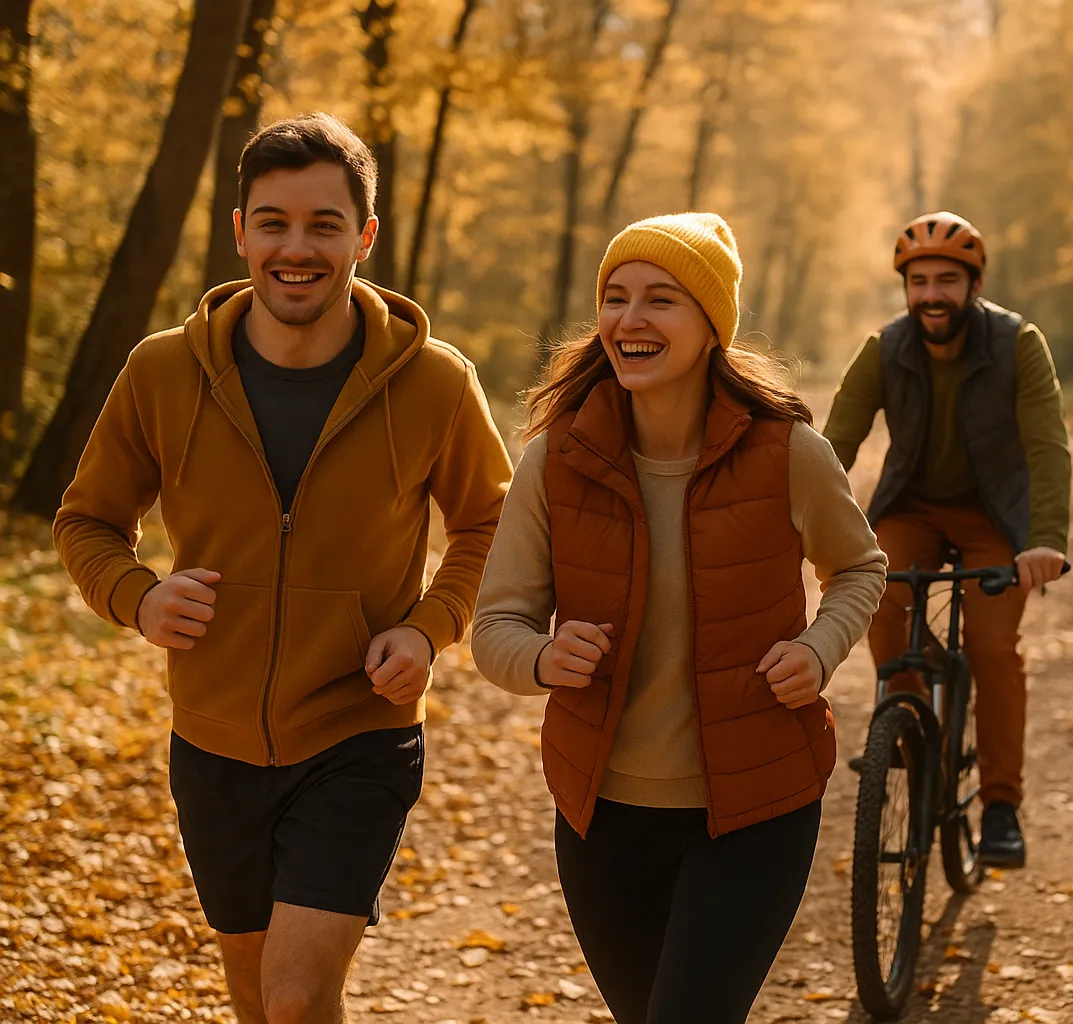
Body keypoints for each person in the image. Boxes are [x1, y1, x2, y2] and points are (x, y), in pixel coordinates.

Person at [52, 113, 512, 1024]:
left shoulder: (436, 383)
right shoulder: (161, 373)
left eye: (323, 224)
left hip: (360, 731)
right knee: (255, 997)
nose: (295, 248)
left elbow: (491, 525)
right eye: (274, 222)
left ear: (364, 237)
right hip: (212, 741)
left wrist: (428, 628)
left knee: (299, 997)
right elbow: (87, 521)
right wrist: (139, 600)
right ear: (240, 232)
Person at [471, 212, 885, 1024]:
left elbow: (859, 567)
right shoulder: (556, 459)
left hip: (757, 805)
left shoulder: (788, 453)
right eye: (616, 298)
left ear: (710, 326)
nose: (631, 319)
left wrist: (820, 648)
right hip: (603, 815)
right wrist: (545, 659)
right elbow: (495, 628)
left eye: (661, 299)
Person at [822, 211, 1072, 868]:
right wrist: (810, 524)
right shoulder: (885, 348)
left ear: (974, 284)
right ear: (906, 288)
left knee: (993, 647)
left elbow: (1047, 448)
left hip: (994, 516)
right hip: (914, 508)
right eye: (919, 281)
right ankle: (907, 728)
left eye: (947, 281)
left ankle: (1000, 806)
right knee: (879, 598)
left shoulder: (1018, 343)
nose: (932, 294)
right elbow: (834, 446)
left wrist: (1042, 540)